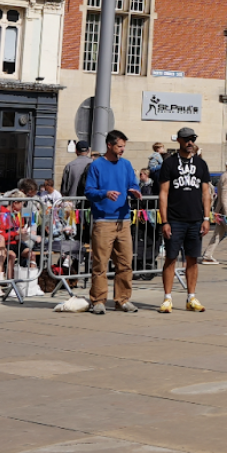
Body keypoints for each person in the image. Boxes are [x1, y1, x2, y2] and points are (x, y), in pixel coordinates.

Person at [84, 129, 140, 314]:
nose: (122, 149)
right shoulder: (96, 165)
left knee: (125, 263)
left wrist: (134, 190)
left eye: (124, 146)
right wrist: (104, 193)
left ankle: (122, 300)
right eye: (119, 146)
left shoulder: (126, 164)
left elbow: (133, 183)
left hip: (123, 220)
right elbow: (89, 191)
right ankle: (98, 300)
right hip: (103, 221)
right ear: (109, 145)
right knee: (100, 263)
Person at [156, 127, 211, 312]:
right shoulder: (169, 163)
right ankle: (167, 298)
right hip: (174, 218)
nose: (190, 142)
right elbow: (163, 194)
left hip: (195, 219)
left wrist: (206, 218)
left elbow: (206, 193)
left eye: (192, 139)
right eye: (187, 139)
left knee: (192, 259)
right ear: (179, 140)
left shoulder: (201, 164)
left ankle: (191, 297)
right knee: (170, 258)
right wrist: (165, 221)